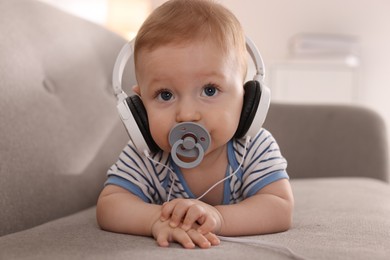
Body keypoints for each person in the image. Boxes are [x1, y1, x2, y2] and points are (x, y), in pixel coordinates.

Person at [96, 0, 294, 249]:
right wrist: (155, 220)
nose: (187, 114)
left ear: (246, 98)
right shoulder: (147, 156)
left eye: (210, 90)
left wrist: (219, 218)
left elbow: (279, 207)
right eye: (165, 95)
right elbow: (110, 204)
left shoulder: (254, 148)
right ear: (140, 107)